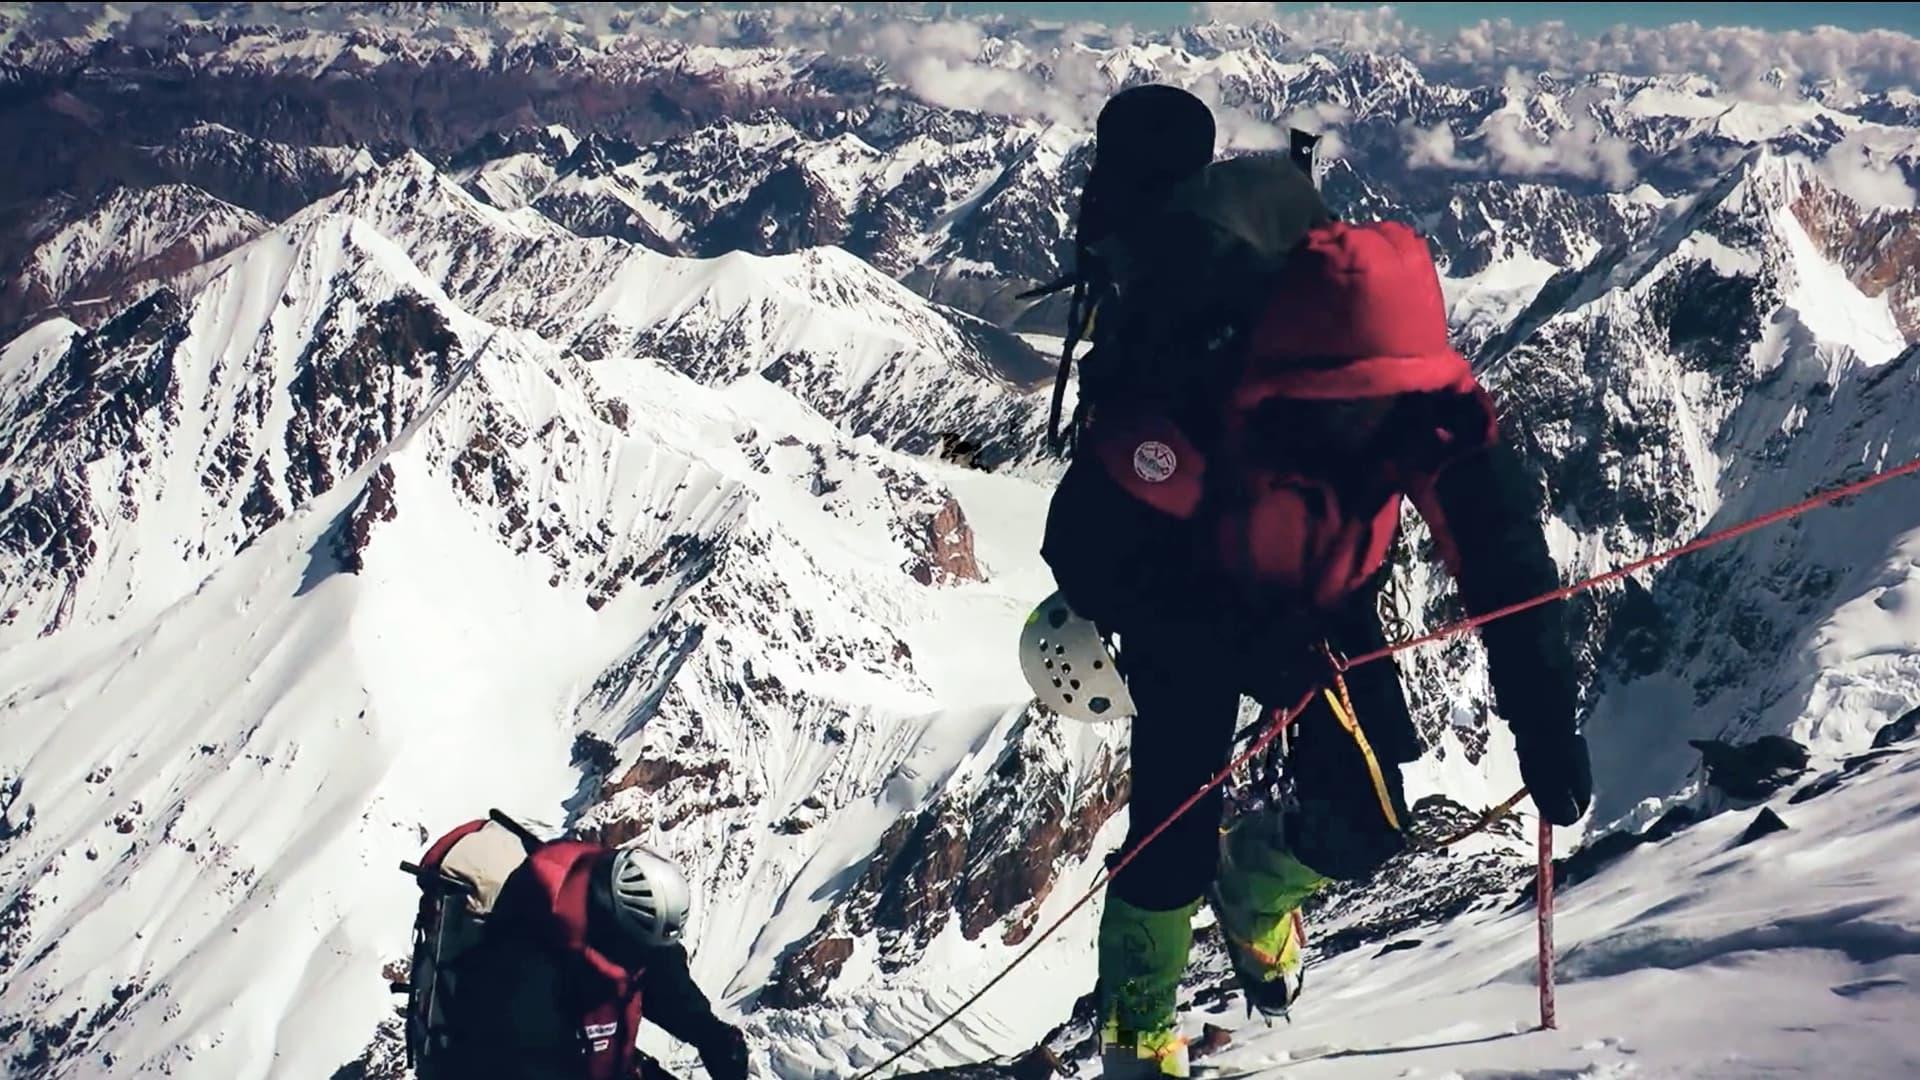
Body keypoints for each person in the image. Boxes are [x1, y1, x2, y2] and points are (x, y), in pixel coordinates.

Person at [1027, 85, 1593, 1079]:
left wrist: (1546, 725)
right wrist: (1227, 637)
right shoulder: (1200, 400)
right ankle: (1135, 1028)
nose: (1363, 447)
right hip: (1190, 598)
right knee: (1171, 828)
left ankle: (1257, 887)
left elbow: (1505, 562)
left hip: (1323, 601)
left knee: (1371, 818)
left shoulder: (1429, 409)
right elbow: (1085, 548)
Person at [405, 818, 750, 1080]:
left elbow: (661, 977)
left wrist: (709, 1033)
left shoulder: (624, 924)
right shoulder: (529, 970)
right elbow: (532, 1061)